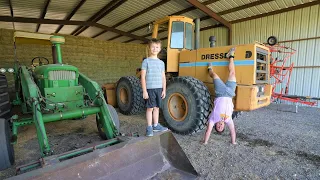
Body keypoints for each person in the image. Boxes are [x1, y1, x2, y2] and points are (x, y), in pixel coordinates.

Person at [203, 47, 237, 145]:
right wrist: (233, 142)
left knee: (214, 75)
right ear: (224, 126)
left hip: (221, 93)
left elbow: (208, 131)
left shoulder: (213, 119)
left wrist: (205, 142)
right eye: (221, 128)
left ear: (216, 125)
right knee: (233, 73)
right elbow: (233, 131)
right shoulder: (228, 120)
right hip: (230, 93)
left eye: (218, 127)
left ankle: (209, 69)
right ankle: (231, 56)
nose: (220, 126)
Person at [141, 38, 168, 137]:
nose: (155, 49)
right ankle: (149, 127)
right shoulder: (146, 62)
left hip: (159, 88)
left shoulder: (161, 63)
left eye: (157, 47)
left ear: (160, 49)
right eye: (153, 47)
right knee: (150, 108)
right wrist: (144, 91)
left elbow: (163, 77)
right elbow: (143, 77)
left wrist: (164, 89)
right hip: (150, 89)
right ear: (149, 48)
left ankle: (156, 125)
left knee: (156, 108)